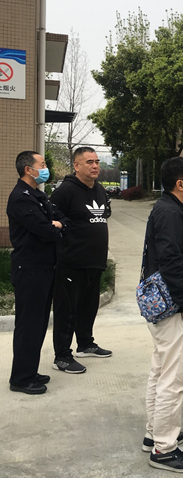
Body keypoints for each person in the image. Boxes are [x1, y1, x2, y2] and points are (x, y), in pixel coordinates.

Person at [141, 157, 183, 473]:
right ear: (180, 184)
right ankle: (164, 449)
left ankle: (154, 433)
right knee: (173, 379)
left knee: (160, 370)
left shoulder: (168, 209)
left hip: (167, 308)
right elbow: (171, 262)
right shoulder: (170, 214)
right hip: (174, 308)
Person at [6, 151, 69, 394]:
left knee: (39, 324)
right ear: (28, 169)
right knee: (29, 325)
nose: (45, 168)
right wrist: (55, 226)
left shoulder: (38, 195)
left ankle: (30, 370)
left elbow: (62, 220)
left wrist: (57, 224)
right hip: (29, 269)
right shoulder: (20, 198)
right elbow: (46, 230)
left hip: (44, 267)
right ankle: (21, 379)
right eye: (41, 164)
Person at [50, 147, 112, 374]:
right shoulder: (65, 191)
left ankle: (85, 344)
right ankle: (62, 356)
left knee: (89, 307)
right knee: (67, 311)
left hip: (94, 260)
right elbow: (51, 221)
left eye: (97, 162)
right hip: (71, 262)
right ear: (76, 165)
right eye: (89, 162)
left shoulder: (100, 189)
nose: (95, 166)